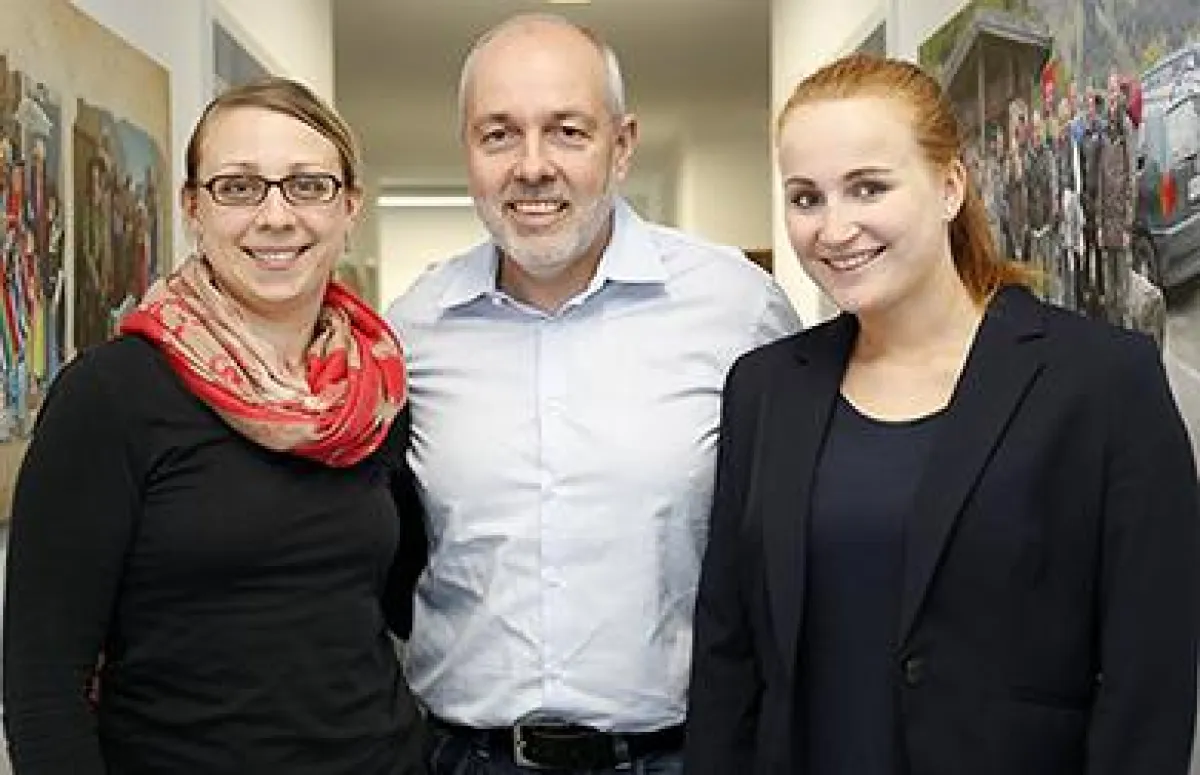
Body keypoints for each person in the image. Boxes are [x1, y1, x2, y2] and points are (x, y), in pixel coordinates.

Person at [685, 53, 1199, 775]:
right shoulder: (765, 389)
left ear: (951, 185)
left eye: (867, 187)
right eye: (807, 198)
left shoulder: (1103, 381)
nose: (834, 229)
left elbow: (1150, 681)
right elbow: (727, 658)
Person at [385, 13, 800, 775]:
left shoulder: (739, 310)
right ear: (468, 153)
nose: (533, 166)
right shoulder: (411, 330)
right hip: (460, 757)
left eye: (568, 131)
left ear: (623, 145)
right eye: (499, 134)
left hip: (679, 757)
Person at [3, 76, 428, 774]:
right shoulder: (111, 396)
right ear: (192, 208)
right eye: (238, 186)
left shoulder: (374, 389)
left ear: (350, 206)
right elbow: (42, 687)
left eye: (307, 185)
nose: (275, 215)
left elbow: (382, 607)